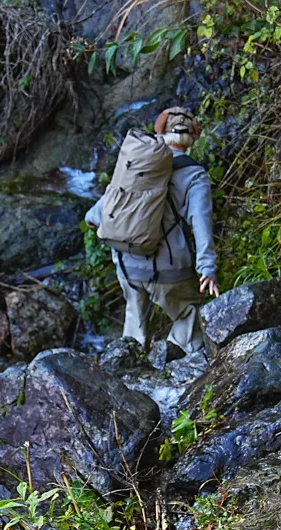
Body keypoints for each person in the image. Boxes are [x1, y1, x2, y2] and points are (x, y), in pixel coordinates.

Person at [85, 106, 221, 355]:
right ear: (192, 138)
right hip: (170, 270)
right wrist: (206, 268)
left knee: (133, 327)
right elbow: (201, 223)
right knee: (187, 314)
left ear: (160, 133)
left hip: (128, 265)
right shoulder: (194, 175)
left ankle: (128, 374)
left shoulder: (136, 167)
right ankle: (173, 374)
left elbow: (95, 215)